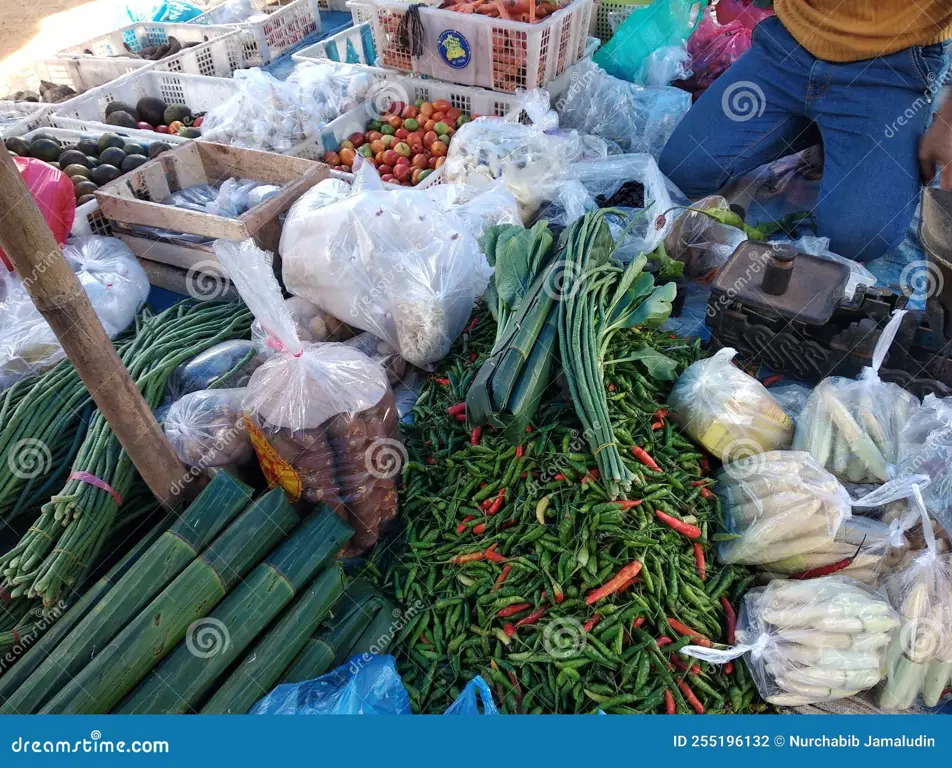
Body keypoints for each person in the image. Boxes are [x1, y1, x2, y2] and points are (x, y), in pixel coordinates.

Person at [659, 1, 952, 262]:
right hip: (791, 46)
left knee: (856, 239)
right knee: (683, 168)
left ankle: (842, 131)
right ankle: (817, 128)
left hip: (892, 66)